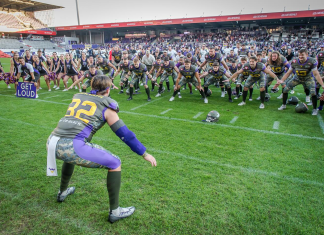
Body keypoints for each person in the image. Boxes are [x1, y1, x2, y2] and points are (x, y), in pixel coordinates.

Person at [46, 75, 157, 223]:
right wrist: (144, 153)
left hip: (52, 141)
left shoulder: (79, 97)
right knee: (115, 163)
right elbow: (125, 135)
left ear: (92, 87)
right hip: (72, 146)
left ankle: (62, 192)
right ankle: (115, 211)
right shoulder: (107, 107)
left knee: (70, 158)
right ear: (109, 89)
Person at [276, 48, 324, 115]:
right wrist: (282, 80)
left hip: (308, 79)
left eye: (302, 55)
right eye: (299, 55)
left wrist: (322, 84)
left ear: (307, 55)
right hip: (297, 78)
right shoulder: (294, 61)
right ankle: (283, 105)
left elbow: (316, 74)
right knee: (285, 89)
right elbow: (288, 73)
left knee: (313, 92)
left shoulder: (311, 61)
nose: (300, 57)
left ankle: (314, 109)